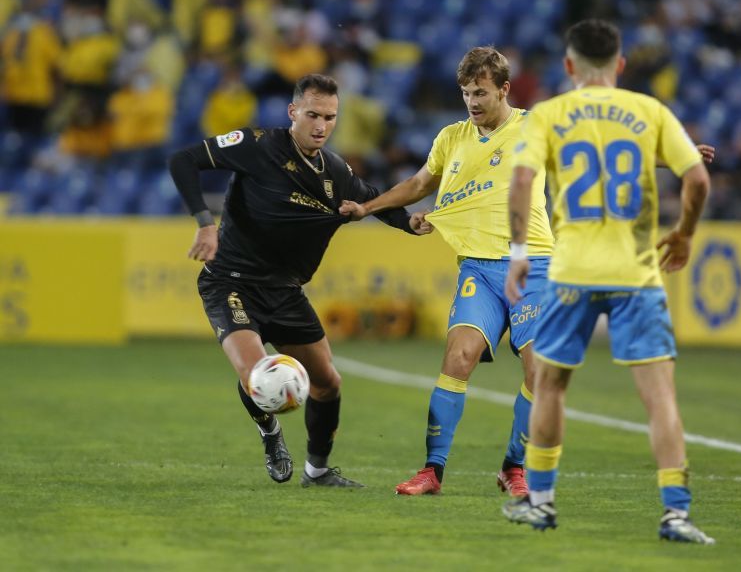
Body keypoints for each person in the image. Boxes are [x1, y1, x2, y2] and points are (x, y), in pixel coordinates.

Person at [501, 19, 715, 544]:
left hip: (571, 271)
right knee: (660, 397)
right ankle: (676, 514)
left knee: (550, 385)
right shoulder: (650, 111)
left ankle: (542, 504)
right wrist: (684, 234)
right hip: (637, 273)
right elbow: (698, 178)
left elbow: (523, 179)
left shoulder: (549, 114)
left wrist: (519, 253)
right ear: (620, 65)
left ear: (569, 65)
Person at [168, 74, 429, 488]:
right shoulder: (258, 146)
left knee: (328, 383)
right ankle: (270, 432)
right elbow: (183, 160)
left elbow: (372, 201)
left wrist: (408, 223)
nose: (321, 125)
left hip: (286, 292)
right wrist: (205, 223)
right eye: (312, 115)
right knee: (259, 375)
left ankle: (318, 471)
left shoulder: (335, 172)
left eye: (329, 117)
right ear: (293, 113)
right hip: (230, 282)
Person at [339, 47, 555, 497]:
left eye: (481, 92)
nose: (473, 102)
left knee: (540, 371)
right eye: (465, 93)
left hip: (532, 265)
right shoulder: (451, 137)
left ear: (504, 90)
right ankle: (432, 472)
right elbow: (419, 185)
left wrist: (676, 157)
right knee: (458, 358)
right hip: (478, 266)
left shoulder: (533, 127)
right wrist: (367, 207)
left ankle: (513, 468)